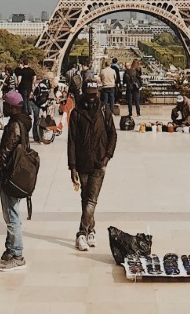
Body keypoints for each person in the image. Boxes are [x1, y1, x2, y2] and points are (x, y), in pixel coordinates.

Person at [0, 90, 34, 272]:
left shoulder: (14, 126)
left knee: (12, 216)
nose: (2, 107)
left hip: (10, 175)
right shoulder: (23, 121)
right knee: (11, 213)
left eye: (5, 104)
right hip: (18, 173)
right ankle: (10, 250)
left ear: (12, 107)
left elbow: (3, 155)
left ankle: (18, 255)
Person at [67, 79, 116, 251]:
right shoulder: (76, 113)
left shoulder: (104, 109)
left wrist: (107, 157)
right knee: (86, 198)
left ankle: (81, 233)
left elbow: (112, 134)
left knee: (91, 200)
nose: (92, 98)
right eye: (90, 95)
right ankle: (91, 230)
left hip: (98, 162)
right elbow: (71, 141)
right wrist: (72, 166)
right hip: (82, 162)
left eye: (95, 95)